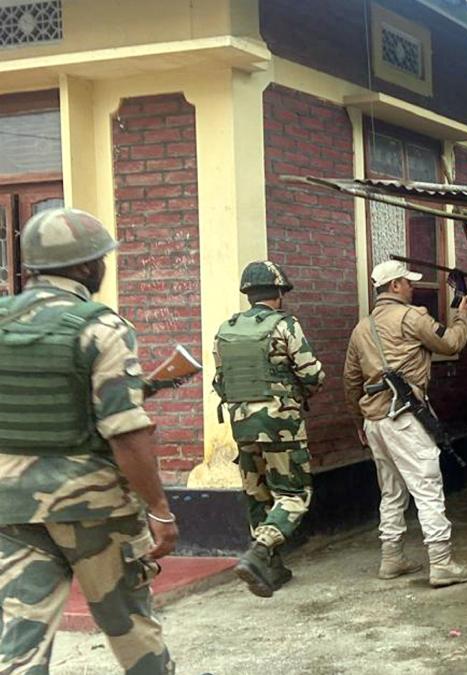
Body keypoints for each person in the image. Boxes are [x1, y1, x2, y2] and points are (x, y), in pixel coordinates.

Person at [0, 208, 176, 673]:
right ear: (83, 266)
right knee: (130, 626)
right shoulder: (101, 327)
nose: (103, 267)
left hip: (11, 506)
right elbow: (126, 434)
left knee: (20, 638)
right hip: (93, 506)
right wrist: (159, 508)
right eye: (100, 259)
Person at [343, 261, 467, 587]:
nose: (412, 287)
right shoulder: (411, 317)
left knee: (391, 491)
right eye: (408, 282)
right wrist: (461, 315)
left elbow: (351, 380)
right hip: (405, 417)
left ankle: (391, 558)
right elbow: (451, 343)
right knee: (427, 487)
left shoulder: (361, 328)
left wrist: (358, 421)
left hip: (375, 421)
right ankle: (441, 563)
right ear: (395, 286)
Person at [213, 261, 325, 598]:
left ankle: (270, 568)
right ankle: (260, 551)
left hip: (242, 424)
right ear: (278, 293)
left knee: (257, 493)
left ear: (248, 294)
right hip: (280, 425)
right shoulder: (285, 325)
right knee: (292, 494)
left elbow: (220, 381)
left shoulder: (226, 329)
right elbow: (312, 374)